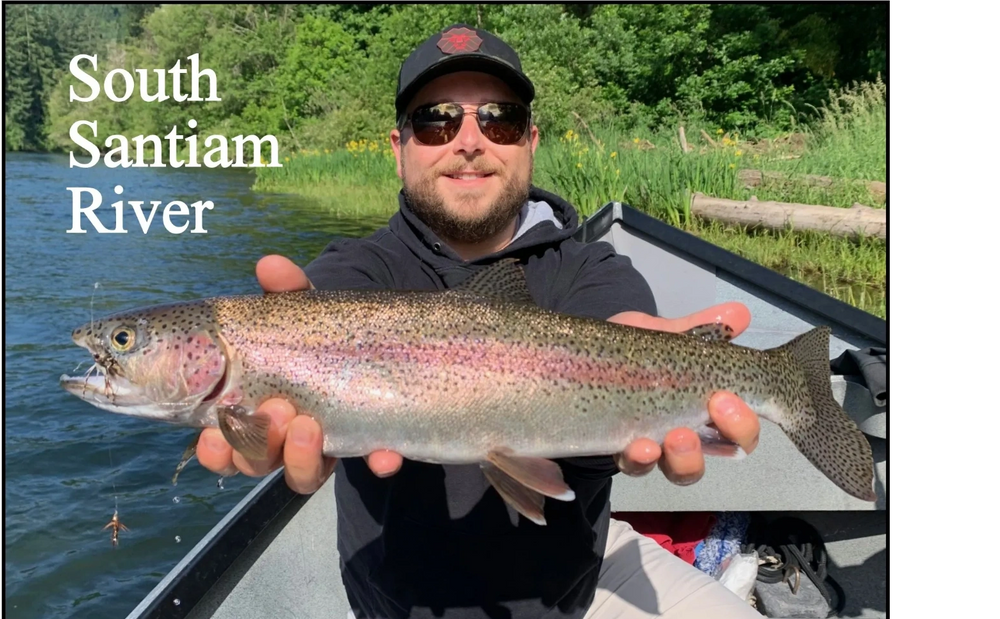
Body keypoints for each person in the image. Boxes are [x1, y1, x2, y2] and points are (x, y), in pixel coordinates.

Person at [197, 24, 765, 619]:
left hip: (577, 587)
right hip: (394, 605)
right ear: (399, 148)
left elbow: (622, 323)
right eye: (436, 120)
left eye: (500, 120)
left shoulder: (591, 268)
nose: (469, 140)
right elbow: (319, 315)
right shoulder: (354, 270)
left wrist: (659, 368)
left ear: (531, 141)